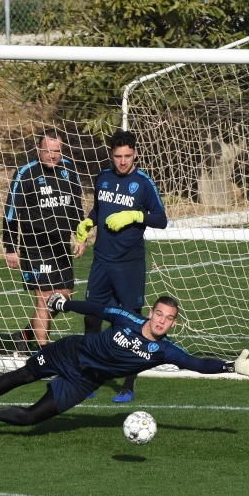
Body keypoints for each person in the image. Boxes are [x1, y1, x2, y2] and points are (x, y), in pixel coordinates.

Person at [0, 293, 249, 437]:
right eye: (159, 314)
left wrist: (230, 367)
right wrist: (65, 305)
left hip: (83, 382)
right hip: (69, 352)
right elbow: (97, 307)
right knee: (22, 374)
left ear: (173, 324)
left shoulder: (165, 350)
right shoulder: (127, 318)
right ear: (151, 313)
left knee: (33, 418)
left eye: (169, 319)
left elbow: (196, 363)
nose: (162, 321)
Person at [73, 129, 167, 402]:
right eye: (118, 156)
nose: (123, 161)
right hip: (101, 261)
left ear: (135, 153)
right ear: (111, 156)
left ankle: (128, 382)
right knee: (92, 318)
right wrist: (88, 223)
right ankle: (89, 377)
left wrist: (135, 215)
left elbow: (161, 219)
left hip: (129, 265)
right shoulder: (102, 177)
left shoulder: (144, 183)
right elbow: (98, 209)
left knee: (131, 323)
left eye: (127, 156)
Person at [2, 128, 84, 355]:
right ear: (38, 149)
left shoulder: (69, 169)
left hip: (61, 247)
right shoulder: (25, 174)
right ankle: (42, 355)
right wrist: (10, 248)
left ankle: (25, 335)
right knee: (45, 299)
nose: (52, 155)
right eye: (47, 151)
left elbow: (76, 206)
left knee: (64, 298)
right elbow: (11, 213)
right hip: (34, 247)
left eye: (57, 151)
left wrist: (80, 236)